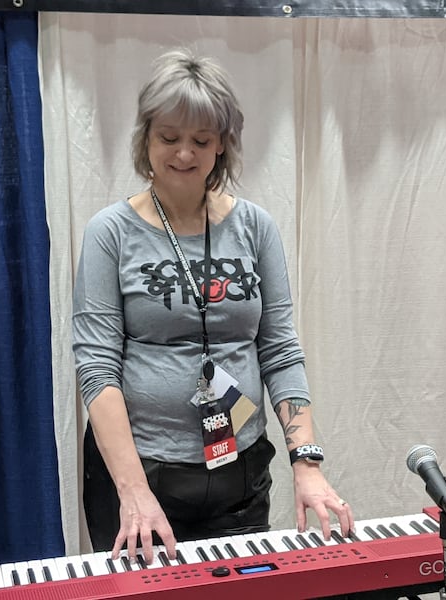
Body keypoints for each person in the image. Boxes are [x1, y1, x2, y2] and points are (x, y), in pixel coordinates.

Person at [72, 48, 354, 565]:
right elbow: (96, 369)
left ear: (223, 143)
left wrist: (306, 462)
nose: (184, 154)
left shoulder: (254, 227)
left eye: (201, 140)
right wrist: (133, 492)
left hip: (239, 470)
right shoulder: (110, 233)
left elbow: (280, 350)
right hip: (143, 475)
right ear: (145, 137)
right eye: (169, 137)